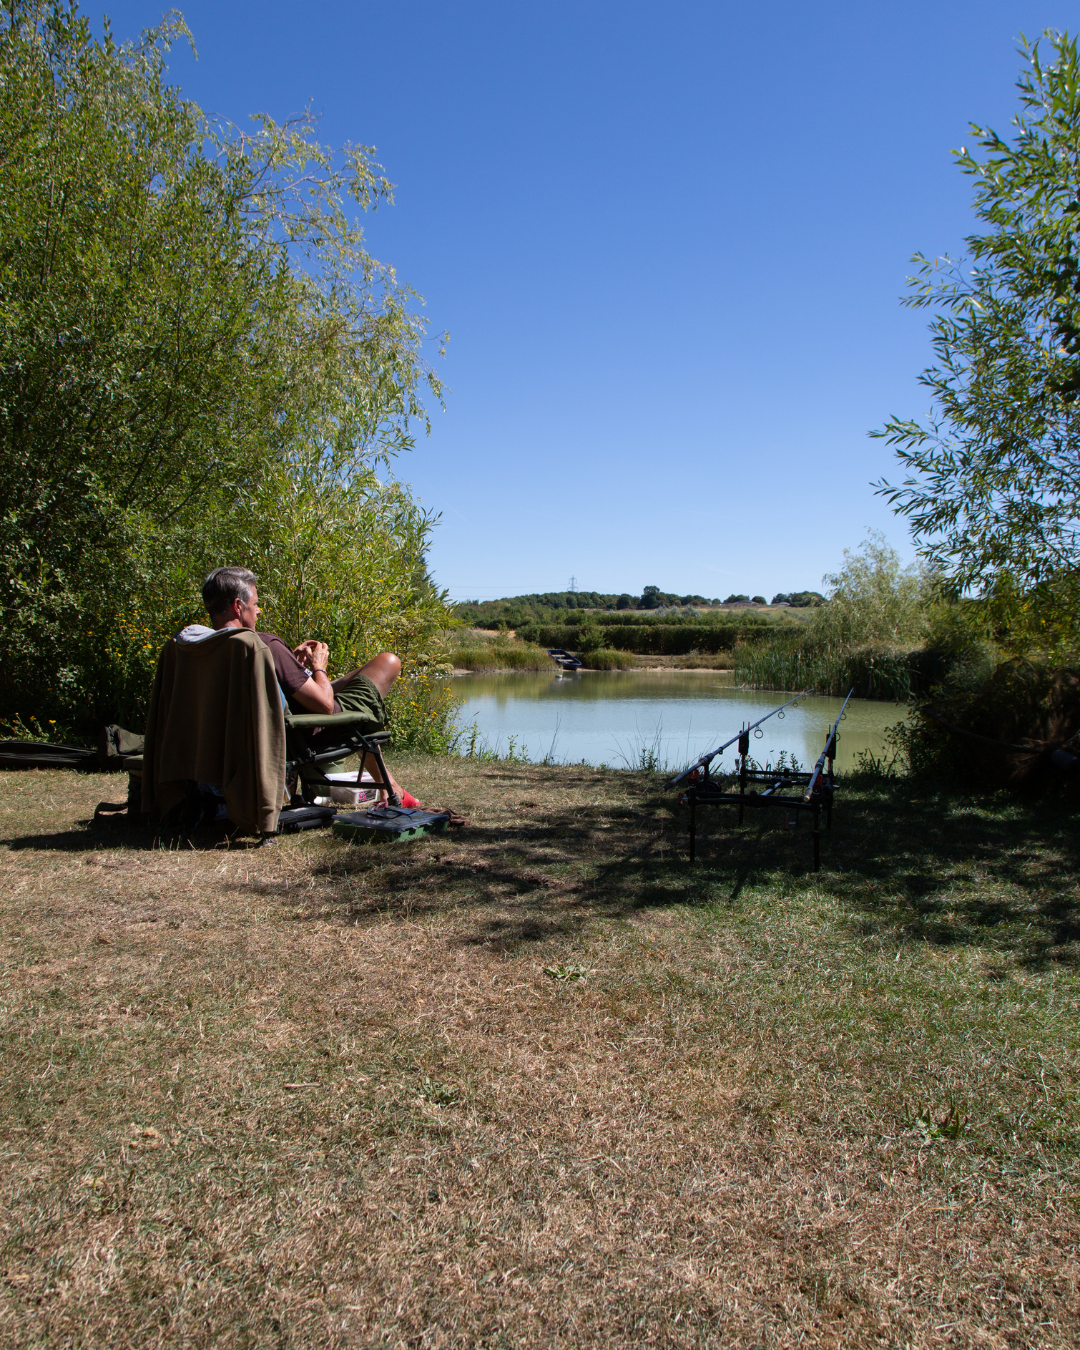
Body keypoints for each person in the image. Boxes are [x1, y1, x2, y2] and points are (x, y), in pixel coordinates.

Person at [197, 565, 418, 805]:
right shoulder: (263, 645)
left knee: (358, 677)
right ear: (238, 607)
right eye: (255, 604)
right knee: (388, 662)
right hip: (312, 730)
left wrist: (290, 664)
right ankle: (391, 789)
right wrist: (319, 666)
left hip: (261, 731)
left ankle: (391, 788)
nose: (258, 611)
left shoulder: (203, 648)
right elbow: (324, 706)